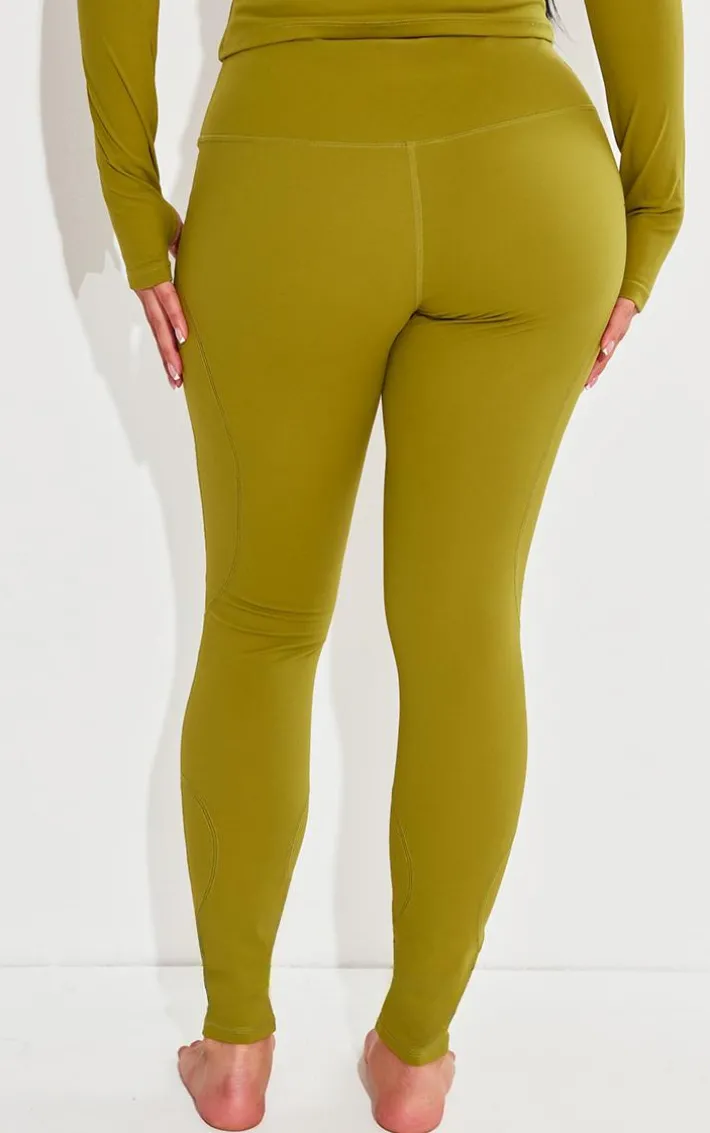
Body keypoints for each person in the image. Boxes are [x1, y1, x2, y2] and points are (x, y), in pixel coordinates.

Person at [76, 0, 684, 1129]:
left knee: (260, 625)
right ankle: (413, 1055)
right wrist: (655, 205)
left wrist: (129, 190)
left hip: (288, 175)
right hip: (529, 179)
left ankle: (234, 1047)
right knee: (465, 637)